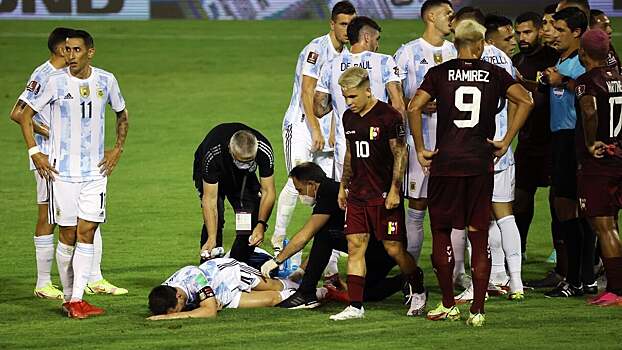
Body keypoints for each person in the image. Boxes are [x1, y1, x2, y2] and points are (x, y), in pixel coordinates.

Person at [408, 19, 533, 326]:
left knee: (441, 232)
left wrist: (422, 147)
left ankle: (449, 303)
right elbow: (526, 100)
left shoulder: (439, 72)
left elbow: (413, 107)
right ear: (480, 45)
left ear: (457, 45)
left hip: (446, 163)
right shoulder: (495, 73)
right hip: (479, 164)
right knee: (479, 234)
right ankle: (477, 310)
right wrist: (505, 141)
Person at [16, 29, 130, 318]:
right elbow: (23, 114)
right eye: (67, 50)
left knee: (88, 230)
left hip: (95, 173)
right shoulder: (53, 81)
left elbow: (122, 113)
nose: (70, 55)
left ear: (90, 52)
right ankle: (69, 297)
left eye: (76, 50)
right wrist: (35, 151)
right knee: (67, 233)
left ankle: (78, 298)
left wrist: (117, 149)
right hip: (61, 173)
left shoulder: (106, 80)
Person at [329, 67, 426, 321]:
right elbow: (351, 153)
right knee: (355, 247)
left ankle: (417, 286)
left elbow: (400, 153)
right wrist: (343, 185)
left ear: (367, 90)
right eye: (345, 97)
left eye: (353, 97)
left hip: (383, 195)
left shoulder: (388, 116)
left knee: (393, 249)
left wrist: (395, 189)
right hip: (358, 194)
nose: (348, 102)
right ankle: (355, 306)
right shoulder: (349, 118)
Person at [272, 1, 356, 274]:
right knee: (298, 182)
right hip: (301, 124)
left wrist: (332, 128)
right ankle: (277, 240)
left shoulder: (347, 55)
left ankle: (327, 253)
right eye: (342, 24)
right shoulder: (316, 49)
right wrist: (316, 129)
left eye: (351, 24)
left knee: (326, 189)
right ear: (332, 23)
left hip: (328, 129)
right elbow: (308, 92)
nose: (347, 29)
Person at [260, 162, 401, 309]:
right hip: (377, 248)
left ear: (312, 185)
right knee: (363, 294)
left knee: (324, 234)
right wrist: (301, 271)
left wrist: (277, 261)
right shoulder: (331, 189)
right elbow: (321, 244)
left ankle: (306, 293)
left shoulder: (327, 193)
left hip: (376, 251)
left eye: (300, 190)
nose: (301, 195)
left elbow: (304, 236)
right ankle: (406, 280)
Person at [392, 0, 458, 277]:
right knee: (417, 208)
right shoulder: (407, 52)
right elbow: (392, 97)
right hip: (418, 143)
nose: (452, 19)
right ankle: (412, 273)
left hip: (453, 142)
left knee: (454, 211)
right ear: (431, 16)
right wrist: (414, 103)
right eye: (448, 14)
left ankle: (458, 274)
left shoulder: (456, 50)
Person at [541, 7, 598, 298]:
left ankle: (576, 280)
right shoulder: (562, 60)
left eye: (560, 30)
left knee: (569, 211)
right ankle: (584, 278)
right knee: (574, 212)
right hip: (561, 139)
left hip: (573, 140)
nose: (554, 35)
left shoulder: (581, 63)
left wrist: (561, 81)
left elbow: (592, 93)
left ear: (577, 32)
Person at [512, 11, 567, 289]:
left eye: (528, 32)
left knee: (558, 202)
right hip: (528, 142)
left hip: (554, 141)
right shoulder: (516, 61)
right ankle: (517, 250)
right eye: (518, 33)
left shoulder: (553, 58)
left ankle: (563, 256)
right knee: (521, 198)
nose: (522, 38)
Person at [314, 16, 405, 181]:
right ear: (367, 37)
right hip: (380, 148)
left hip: (345, 151)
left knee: (348, 202)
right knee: (382, 201)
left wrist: (338, 101)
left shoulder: (330, 66)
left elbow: (318, 110)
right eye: (377, 39)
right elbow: (398, 105)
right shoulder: (384, 62)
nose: (377, 45)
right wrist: (400, 144)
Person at [575, 29, 622, 306]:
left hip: (600, 162)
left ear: (583, 53)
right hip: (618, 155)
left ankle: (616, 290)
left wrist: (592, 142)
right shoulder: (619, 77)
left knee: (604, 226)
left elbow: (590, 111)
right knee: (610, 224)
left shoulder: (586, 81)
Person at [193, 123, 276, 265]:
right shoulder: (212, 155)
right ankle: (209, 265)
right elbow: (210, 200)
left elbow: (268, 191)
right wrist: (212, 237)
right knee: (216, 216)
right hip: (213, 173)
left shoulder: (263, 150)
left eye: (249, 161)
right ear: (230, 150)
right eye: (240, 160)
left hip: (243, 177)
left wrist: (261, 224)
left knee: (249, 217)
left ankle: (238, 265)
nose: (244, 164)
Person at [147, 257, 298, 320]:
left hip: (232, 275)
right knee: (272, 299)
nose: (180, 311)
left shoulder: (194, 277)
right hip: (225, 297)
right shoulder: (165, 292)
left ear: (179, 296)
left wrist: (169, 317)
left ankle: (303, 284)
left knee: (275, 285)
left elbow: (209, 311)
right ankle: (319, 293)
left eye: (178, 309)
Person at [589, 9, 620, 73]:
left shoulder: (608, 46)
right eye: (604, 27)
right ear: (589, 28)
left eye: (609, 26)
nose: (610, 30)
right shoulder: (586, 53)